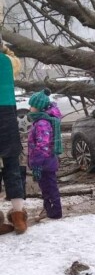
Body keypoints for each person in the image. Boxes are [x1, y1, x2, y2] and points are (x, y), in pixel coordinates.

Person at [0, 40, 27, 235]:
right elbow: (17, 62)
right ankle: (18, 217)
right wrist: (5, 49)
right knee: (12, 166)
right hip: (7, 115)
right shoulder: (9, 62)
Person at [27, 88, 63, 221]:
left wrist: (36, 162)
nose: (30, 108)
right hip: (46, 160)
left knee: (49, 186)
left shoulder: (42, 123)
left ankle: (55, 211)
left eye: (32, 106)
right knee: (46, 186)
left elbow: (43, 145)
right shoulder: (41, 120)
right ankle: (49, 209)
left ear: (39, 107)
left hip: (44, 161)